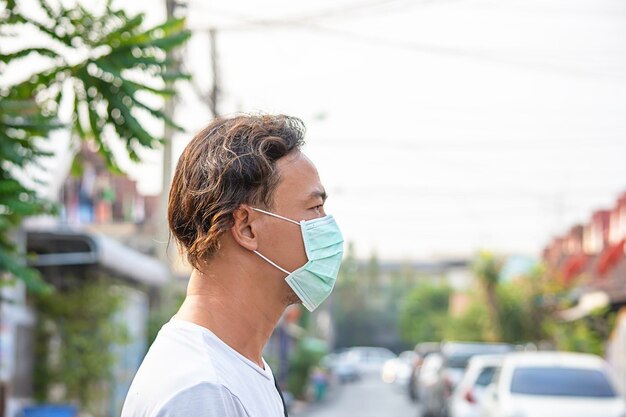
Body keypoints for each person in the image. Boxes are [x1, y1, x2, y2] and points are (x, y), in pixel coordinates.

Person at [121, 114, 344, 417]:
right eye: (315, 207)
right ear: (247, 228)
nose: (327, 226)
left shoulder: (236, 369)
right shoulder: (202, 391)